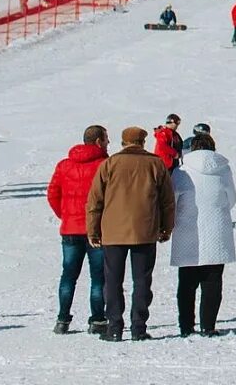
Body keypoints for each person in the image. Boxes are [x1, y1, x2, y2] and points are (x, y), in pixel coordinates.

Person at [85, 125, 175, 341]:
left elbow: (95, 200)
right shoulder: (155, 164)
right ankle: (139, 328)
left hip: (113, 233)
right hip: (145, 231)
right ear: (143, 142)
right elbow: (167, 201)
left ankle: (114, 327)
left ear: (124, 142)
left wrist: (93, 229)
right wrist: (166, 227)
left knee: (113, 281)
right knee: (142, 281)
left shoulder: (110, 164)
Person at [169, 131, 236, 337]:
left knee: (187, 283)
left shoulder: (182, 171)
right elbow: (231, 199)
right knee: (213, 281)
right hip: (217, 230)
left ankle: (186, 326)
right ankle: (208, 326)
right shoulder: (223, 170)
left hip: (188, 230)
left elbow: (172, 200)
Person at [48, 124, 109, 334]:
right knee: (98, 277)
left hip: (70, 229)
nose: (108, 143)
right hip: (98, 230)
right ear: (99, 141)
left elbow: (52, 194)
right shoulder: (104, 164)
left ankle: (63, 319)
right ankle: (98, 320)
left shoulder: (64, 165)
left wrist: (65, 216)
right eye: (106, 139)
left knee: (68, 276)